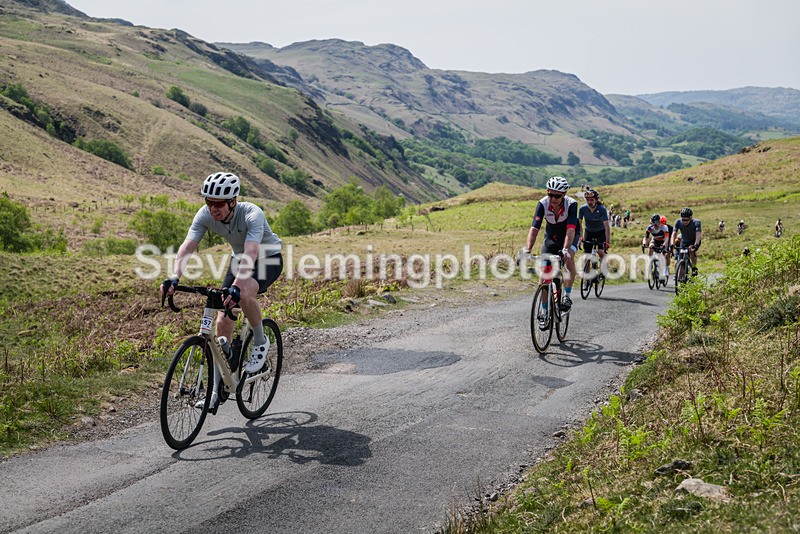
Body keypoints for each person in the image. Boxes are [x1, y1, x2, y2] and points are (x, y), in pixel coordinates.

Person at [160, 172, 284, 381]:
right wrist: (174, 277)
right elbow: (188, 247)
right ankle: (220, 385)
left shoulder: (252, 214)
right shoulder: (205, 214)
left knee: (243, 294)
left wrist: (236, 286)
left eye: (218, 204)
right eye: (209, 202)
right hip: (239, 259)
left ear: (233, 201)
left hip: (267, 258)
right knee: (222, 319)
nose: (213, 208)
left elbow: (252, 252)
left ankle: (261, 341)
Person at [522, 176, 579, 313]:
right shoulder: (542, 204)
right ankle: (544, 311)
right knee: (544, 276)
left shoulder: (571, 204)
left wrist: (565, 249)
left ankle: (567, 296)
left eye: (557, 196)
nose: (553, 199)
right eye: (550, 194)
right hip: (551, 238)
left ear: (564, 195)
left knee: (568, 257)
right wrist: (527, 250)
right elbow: (534, 229)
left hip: (570, 235)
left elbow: (570, 230)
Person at [578, 188, 611, 263]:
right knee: (587, 255)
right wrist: (580, 237)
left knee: (601, 252)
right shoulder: (582, 209)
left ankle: (604, 270)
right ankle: (586, 272)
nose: (589, 202)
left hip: (600, 231)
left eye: (592, 200)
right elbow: (579, 223)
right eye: (588, 200)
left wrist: (607, 241)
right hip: (589, 231)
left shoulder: (602, 209)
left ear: (596, 200)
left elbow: (606, 226)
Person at [673, 207, 702, 276]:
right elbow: (674, 233)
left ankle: (694, 268)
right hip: (684, 241)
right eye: (683, 220)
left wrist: (696, 244)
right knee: (680, 260)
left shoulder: (696, 222)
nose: (685, 222)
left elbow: (698, 234)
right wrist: (672, 244)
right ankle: (681, 280)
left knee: (691, 251)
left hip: (694, 241)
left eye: (687, 220)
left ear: (691, 218)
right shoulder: (678, 222)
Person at [642, 213, 670, 282]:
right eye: (654, 223)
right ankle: (650, 263)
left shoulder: (664, 227)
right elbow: (646, 237)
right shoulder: (650, 227)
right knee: (650, 247)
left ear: (659, 222)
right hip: (655, 240)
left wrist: (663, 245)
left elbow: (666, 238)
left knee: (664, 255)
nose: (655, 225)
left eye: (657, 223)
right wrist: (644, 243)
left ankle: (663, 273)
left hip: (663, 241)